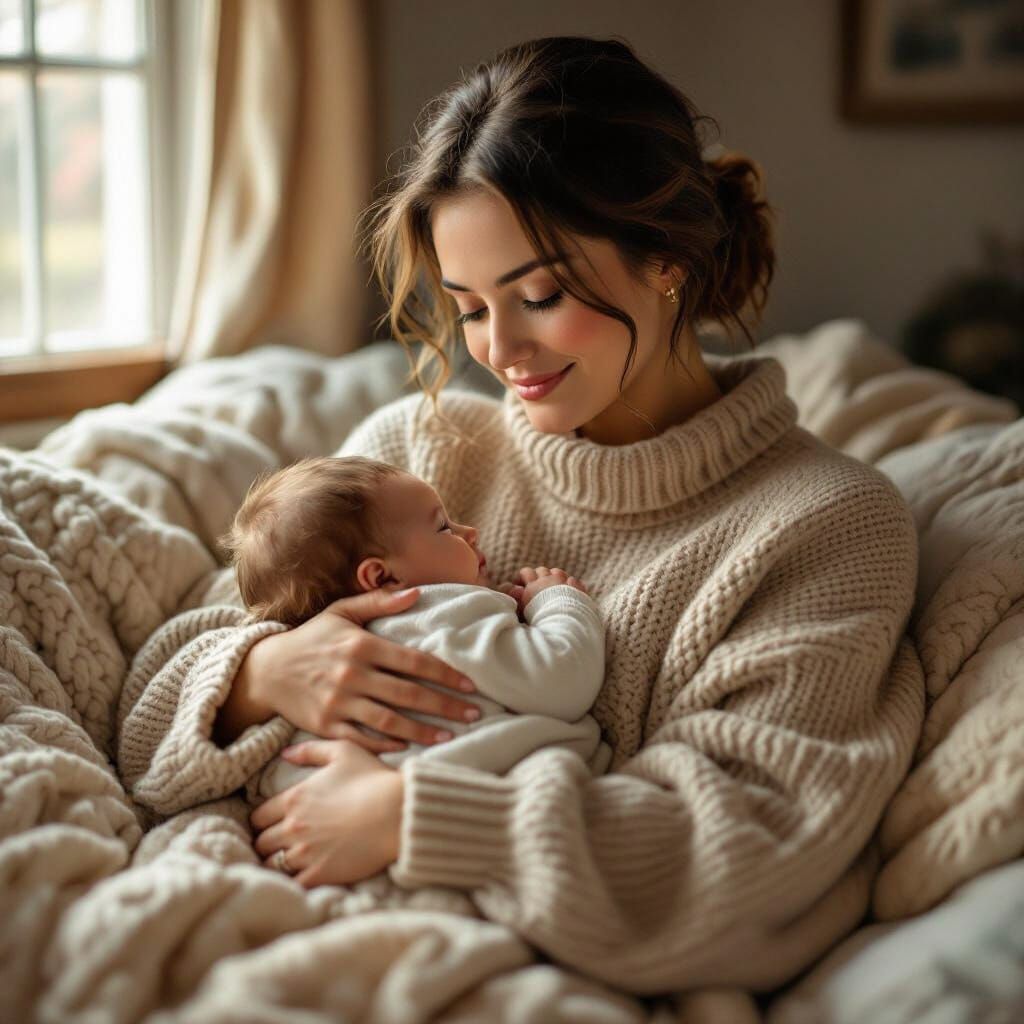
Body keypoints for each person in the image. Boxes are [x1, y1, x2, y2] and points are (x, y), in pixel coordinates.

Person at [117, 35, 924, 994]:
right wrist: (264, 672)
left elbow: (748, 850)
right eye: (467, 307)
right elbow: (147, 722)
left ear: (665, 259)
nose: (501, 351)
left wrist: (419, 816)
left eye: (538, 296)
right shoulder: (413, 458)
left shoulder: (828, 526)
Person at [219, 454, 609, 811]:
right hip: (479, 808)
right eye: (443, 527)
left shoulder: (309, 672)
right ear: (382, 576)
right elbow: (563, 679)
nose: (469, 531)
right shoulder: (446, 610)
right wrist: (556, 600)